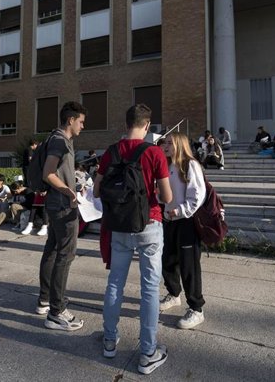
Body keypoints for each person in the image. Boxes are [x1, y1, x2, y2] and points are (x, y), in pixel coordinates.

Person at [93, 104, 172, 375]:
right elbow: (167, 197)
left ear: (126, 123)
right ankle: (148, 352)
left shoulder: (111, 151)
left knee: (115, 282)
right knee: (149, 288)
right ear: (147, 125)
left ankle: (109, 341)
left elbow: (96, 188)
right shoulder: (154, 152)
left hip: (118, 225)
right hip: (149, 223)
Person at [36, 101, 87, 331]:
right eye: (81, 122)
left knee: (53, 249)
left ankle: (45, 300)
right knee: (65, 255)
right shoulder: (59, 140)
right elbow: (48, 173)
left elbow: (54, 171)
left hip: (55, 204)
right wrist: (68, 190)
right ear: (71, 120)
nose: (82, 126)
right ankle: (57, 312)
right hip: (63, 206)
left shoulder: (54, 138)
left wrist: (72, 182)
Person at [159, 131, 207, 332]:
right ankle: (174, 293)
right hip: (168, 220)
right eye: (165, 143)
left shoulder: (190, 164)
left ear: (180, 144)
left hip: (186, 221)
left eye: (170, 143)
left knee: (189, 266)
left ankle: (196, 308)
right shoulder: (167, 165)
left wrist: (180, 210)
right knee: (167, 259)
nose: (166, 145)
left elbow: (198, 194)